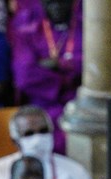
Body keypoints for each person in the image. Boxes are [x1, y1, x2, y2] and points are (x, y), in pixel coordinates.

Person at [9, 0, 82, 131]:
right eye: (50, 2)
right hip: (42, 107)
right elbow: (24, 76)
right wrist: (67, 80)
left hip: (80, 103)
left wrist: (59, 64)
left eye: (62, 2)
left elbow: (94, 65)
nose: (57, 7)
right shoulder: (29, 29)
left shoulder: (87, 26)